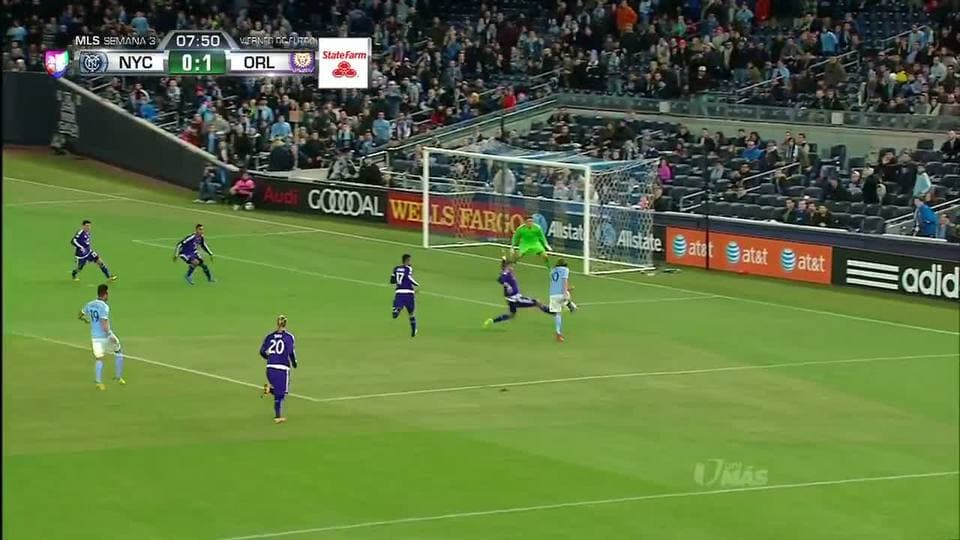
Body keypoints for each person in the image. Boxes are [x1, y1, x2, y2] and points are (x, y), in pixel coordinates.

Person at [79, 284, 124, 390]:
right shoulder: (104, 307)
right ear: (105, 294)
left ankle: (98, 382)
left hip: (95, 337)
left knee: (99, 359)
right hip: (105, 335)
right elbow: (104, 323)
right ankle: (118, 377)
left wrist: (85, 320)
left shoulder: (90, 304)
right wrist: (110, 334)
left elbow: (80, 314)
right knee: (118, 351)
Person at [483, 259, 551, 328]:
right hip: (515, 299)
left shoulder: (508, 272)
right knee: (536, 302)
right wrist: (507, 285)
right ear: (507, 266)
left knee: (511, 315)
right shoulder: (506, 273)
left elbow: (503, 276)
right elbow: (500, 279)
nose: (512, 267)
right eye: (511, 266)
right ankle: (552, 312)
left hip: (511, 299)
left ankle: (492, 321)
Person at [259, 315, 297, 424]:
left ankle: (269, 390)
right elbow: (291, 352)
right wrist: (294, 363)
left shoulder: (269, 336)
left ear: (277, 323)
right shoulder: (289, 337)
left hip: (270, 368)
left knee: (279, 391)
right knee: (281, 394)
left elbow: (262, 351)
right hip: (282, 368)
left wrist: (270, 358)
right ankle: (278, 417)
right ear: (285, 324)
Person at [390, 254, 419, 337]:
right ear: (407, 260)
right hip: (409, 293)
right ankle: (414, 330)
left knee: (397, 305)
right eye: (409, 260)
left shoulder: (396, 269)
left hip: (399, 292)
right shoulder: (408, 268)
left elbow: (392, 281)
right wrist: (417, 284)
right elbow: (409, 278)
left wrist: (400, 281)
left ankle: (396, 309)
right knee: (411, 313)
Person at [548, 259, 577, 342]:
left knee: (557, 314)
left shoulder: (552, 271)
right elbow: (564, 281)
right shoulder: (565, 270)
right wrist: (565, 292)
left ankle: (558, 332)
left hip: (553, 294)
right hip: (561, 293)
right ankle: (570, 304)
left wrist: (568, 289)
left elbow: (556, 283)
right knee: (567, 297)